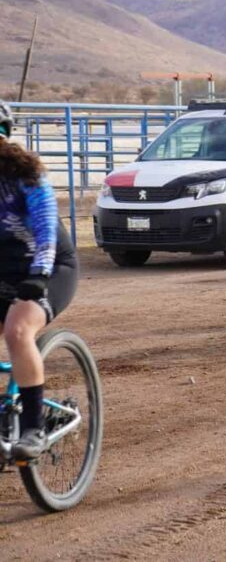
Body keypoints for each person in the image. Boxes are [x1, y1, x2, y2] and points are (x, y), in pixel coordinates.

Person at [0, 102, 79, 460]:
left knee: (18, 330)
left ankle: (32, 426)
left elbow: (47, 231)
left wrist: (38, 277)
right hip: (4, 271)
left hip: (48, 268)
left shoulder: (26, 176)